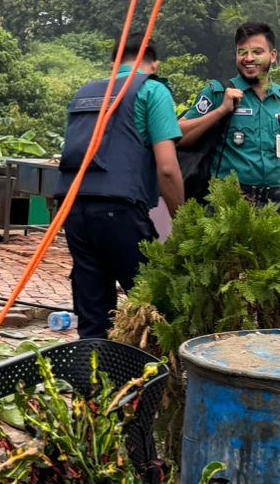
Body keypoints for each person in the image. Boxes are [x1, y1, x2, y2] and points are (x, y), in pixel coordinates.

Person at [55, 34, 185, 340]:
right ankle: (151, 383)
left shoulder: (85, 93)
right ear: (154, 64)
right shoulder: (153, 90)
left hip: (73, 211)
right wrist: (183, 219)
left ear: (115, 62)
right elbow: (167, 168)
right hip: (119, 213)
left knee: (92, 313)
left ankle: (94, 384)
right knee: (153, 305)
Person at [178, 22, 280, 231]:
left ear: (273, 56)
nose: (248, 58)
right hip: (226, 205)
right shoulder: (219, 92)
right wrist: (220, 111)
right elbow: (177, 134)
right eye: (242, 52)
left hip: (272, 205)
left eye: (257, 52)